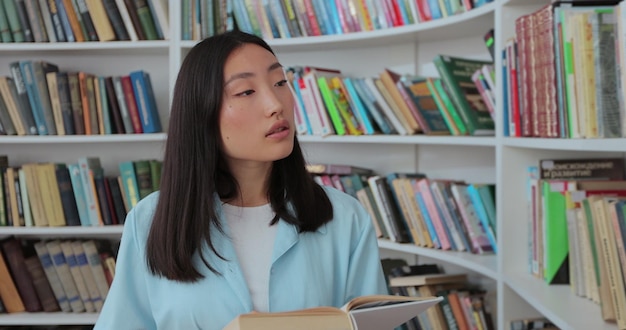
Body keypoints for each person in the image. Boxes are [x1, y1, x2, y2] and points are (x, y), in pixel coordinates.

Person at [94, 30, 387, 330]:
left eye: (280, 83)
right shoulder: (149, 221)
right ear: (202, 112)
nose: (275, 104)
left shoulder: (346, 217)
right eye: (246, 92)